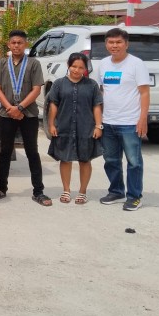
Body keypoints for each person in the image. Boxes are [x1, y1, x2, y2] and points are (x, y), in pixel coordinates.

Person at [0, 29, 51, 206]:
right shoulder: (2, 63)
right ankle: (1, 188)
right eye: (13, 42)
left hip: (29, 114)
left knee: (32, 152)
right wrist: (10, 108)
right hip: (7, 114)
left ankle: (38, 191)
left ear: (25, 45)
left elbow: (36, 89)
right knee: (5, 151)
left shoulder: (33, 64)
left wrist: (20, 107)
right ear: (9, 45)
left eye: (20, 43)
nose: (16, 45)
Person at [93, 27, 150, 211]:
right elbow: (100, 93)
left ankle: (134, 196)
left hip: (129, 122)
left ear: (126, 44)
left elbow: (144, 93)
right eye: (111, 42)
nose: (114, 45)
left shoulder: (136, 64)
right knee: (111, 160)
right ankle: (116, 191)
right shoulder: (103, 64)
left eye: (118, 42)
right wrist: (99, 121)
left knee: (134, 162)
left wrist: (142, 119)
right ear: (106, 44)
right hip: (108, 122)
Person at [46, 52, 103, 205]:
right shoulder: (59, 84)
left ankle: (83, 192)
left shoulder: (92, 85)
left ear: (86, 69)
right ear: (68, 66)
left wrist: (98, 126)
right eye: (74, 66)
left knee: (85, 159)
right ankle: (66, 190)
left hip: (86, 127)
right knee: (65, 159)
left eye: (81, 68)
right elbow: (53, 105)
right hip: (63, 126)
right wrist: (51, 124)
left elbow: (96, 106)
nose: (77, 70)